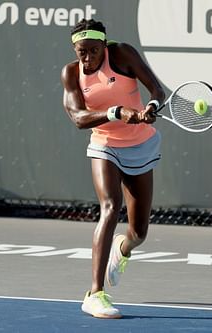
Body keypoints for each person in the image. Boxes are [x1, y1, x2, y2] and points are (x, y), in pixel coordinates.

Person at [61, 18, 165, 319]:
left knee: (139, 231)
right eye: (82, 51)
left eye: (94, 50)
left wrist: (151, 108)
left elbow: (157, 89)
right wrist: (116, 112)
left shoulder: (122, 55)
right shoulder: (71, 73)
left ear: (104, 46)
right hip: (104, 144)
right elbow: (79, 118)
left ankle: (124, 248)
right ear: (75, 49)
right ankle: (94, 294)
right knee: (110, 206)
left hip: (141, 145)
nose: (88, 58)